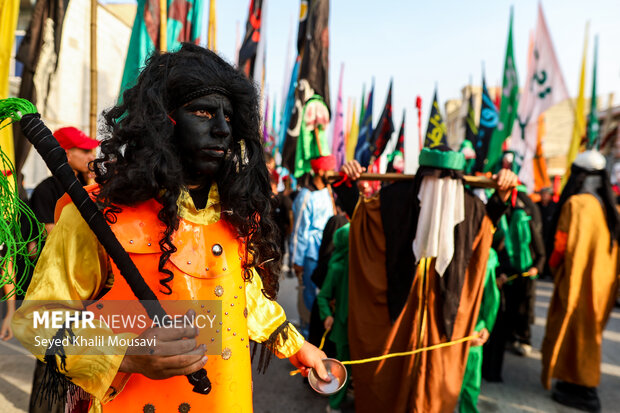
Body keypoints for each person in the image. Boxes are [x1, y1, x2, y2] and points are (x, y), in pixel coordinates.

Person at [13, 44, 328, 412]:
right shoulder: (95, 214)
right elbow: (39, 319)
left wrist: (298, 347)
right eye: (204, 111)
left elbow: (239, 300)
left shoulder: (233, 215)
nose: (223, 129)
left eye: (229, 116)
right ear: (162, 120)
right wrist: (126, 354)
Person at [338, 147, 517, 413]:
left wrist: (503, 193)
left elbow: (486, 227)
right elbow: (361, 216)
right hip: (397, 322)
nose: (440, 191)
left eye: (447, 182)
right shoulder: (392, 202)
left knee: (433, 393)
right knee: (386, 388)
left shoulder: (470, 208)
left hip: (441, 322)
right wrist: (348, 183)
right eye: (434, 180)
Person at [541, 150, 620, 412]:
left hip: (576, 283)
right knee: (588, 334)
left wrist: (552, 268)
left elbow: (560, 247)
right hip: (601, 289)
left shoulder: (576, 206)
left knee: (572, 331)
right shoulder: (612, 210)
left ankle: (584, 388)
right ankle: (575, 382)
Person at [290, 155, 336, 336]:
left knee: (324, 296)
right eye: (330, 169)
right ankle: (308, 335)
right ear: (321, 171)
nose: (333, 173)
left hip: (326, 252)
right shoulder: (305, 196)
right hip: (309, 254)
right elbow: (299, 230)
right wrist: (297, 259)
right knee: (309, 296)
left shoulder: (329, 192)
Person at [316, 222, 351, 413]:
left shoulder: (362, 266)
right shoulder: (338, 268)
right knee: (343, 367)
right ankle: (335, 404)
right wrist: (327, 315)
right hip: (343, 327)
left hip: (353, 326)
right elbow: (323, 296)